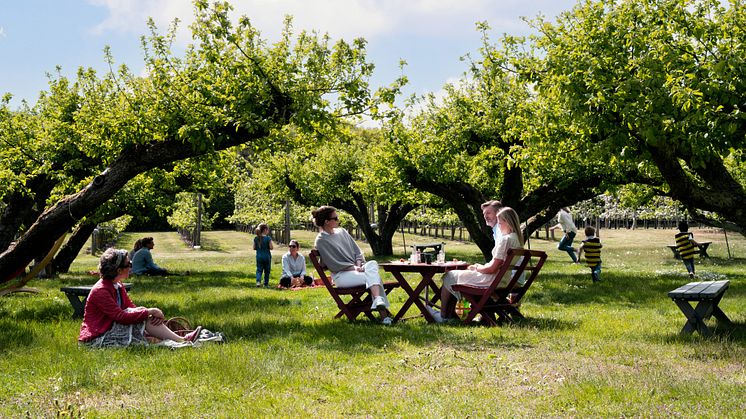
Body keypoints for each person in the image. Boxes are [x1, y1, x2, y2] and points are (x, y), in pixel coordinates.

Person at [78, 248, 202, 348]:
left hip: (109, 328)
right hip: (97, 337)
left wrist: (146, 312)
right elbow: (120, 317)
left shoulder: (117, 285)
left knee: (142, 313)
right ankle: (182, 340)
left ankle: (178, 339)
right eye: (129, 264)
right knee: (144, 315)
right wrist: (150, 311)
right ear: (119, 270)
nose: (131, 266)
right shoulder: (101, 290)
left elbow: (130, 307)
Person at [437, 206, 525, 322]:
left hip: (491, 281)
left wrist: (478, 268)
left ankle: (444, 316)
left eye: (500, 222)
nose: (498, 225)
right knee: (458, 274)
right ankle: (452, 315)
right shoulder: (517, 240)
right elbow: (496, 265)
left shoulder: (506, 240)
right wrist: (479, 268)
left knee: (450, 275)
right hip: (503, 280)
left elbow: (492, 268)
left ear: (507, 222)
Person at [312, 206, 393, 325]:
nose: (338, 220)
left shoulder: (342, 232)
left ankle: (378, 301)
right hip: (342, 275)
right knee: (374, 278)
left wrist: (359, 264)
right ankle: (383, 314)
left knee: (372, 264)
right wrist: (353, 267)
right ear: (326, 221)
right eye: (335, 218)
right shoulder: (321, 240)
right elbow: (334, 264)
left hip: (357, 269)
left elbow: (357, 251)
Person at [253, 223, 274, 287]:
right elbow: (271, 247)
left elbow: (254, 248)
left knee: (259, 270)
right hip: (267, 257)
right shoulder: (268, 238)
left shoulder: (256, 238)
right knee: (267, 271)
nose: (268, 231)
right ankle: (266, 284)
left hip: (259, 257)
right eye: (268, 230)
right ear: (265, 230)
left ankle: (258, 281)